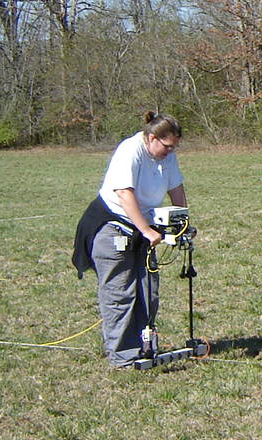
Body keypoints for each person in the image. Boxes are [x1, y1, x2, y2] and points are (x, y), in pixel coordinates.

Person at [72, 112, 187, 367]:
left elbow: (176, 188)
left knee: (148, 291)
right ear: (152, 138)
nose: (170, 151)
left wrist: (183, 222)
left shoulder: (167, 156)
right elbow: (124, 192)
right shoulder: (129, 151)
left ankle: (146, 347)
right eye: (167, 146)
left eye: (174, 147)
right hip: (112, 228)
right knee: (120, 293)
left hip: (146, 230)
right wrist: (146, 230)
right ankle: (122, 356)